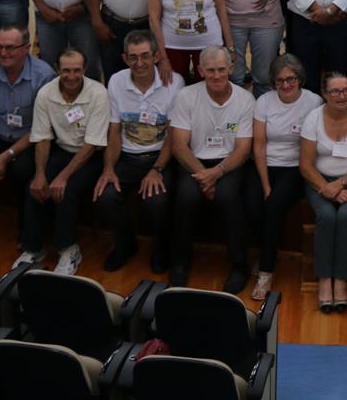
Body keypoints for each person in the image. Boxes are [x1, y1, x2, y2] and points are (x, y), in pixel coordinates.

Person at [93, 29, 183, 274]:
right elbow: (114, 130)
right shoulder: (116, 81)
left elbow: (173, 135)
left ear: (156, 57)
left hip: (160, 157)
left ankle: (161, 249)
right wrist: (109, 168)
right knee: (106, 195)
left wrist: (156, 169)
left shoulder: (174, 82)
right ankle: (125, 246)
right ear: (124, 59)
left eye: (145, 56)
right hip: (128, 158)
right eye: (133, 57)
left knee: (157, 201)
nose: (139, 63)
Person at [168, 45, 255, 290]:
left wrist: (216, 173)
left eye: (221, 70)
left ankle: (240, 265)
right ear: (200, 70)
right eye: (210, 70)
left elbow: (243, 150)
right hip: (194, 161)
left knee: (228, 197)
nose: (216, 76)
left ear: (231, 68)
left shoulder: (245, 100)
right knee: (185, 197)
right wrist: (203, 175)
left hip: (229, 163)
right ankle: (179, 263)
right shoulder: (186, 96)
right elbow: (179, 146)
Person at [16, 48, 109, 274]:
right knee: (35, 186)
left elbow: (91, 145)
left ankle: (68, 249)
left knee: (65, 190)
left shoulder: (98, 93)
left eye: (77, 70)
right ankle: (33, 248)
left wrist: (62, 177)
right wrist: (40, 173)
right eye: (66, 70)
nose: (71, 76)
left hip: (90, 155)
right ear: (57, 70)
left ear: (84, 70)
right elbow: (42, 137)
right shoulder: (46, 93)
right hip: (62, 149)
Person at [0, 24, 55, 242]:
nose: (3, 53)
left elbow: (41, 129)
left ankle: (27, 230)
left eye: (10, 48)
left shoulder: (44, 76)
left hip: (30, 140)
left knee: (23, 169)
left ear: (26, 48)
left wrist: (5, 157)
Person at [246, 54, 322, 301]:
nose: (286, 85)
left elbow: (313, 146)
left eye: (291, 79)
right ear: (273, 82)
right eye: (280, 81)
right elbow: (259, 144)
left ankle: (266, 271)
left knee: (273, 206)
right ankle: (267, 250)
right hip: (265, 165)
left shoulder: (313, 102)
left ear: (299, 79)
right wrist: (265, 182)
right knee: (251, 203)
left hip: (295, 168)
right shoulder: (264, 102)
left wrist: (272, 189)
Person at [300, 71, 347, 313]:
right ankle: (324, 279)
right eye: (335, 91)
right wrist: (327, 187)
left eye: (346, 90)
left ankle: (341, 280)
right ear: (324, 94)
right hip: (318, 181)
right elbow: (305, 165)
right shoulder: (312, 118)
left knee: (346, 216)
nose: (341, 96)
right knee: (327, 216)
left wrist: (339, 184)